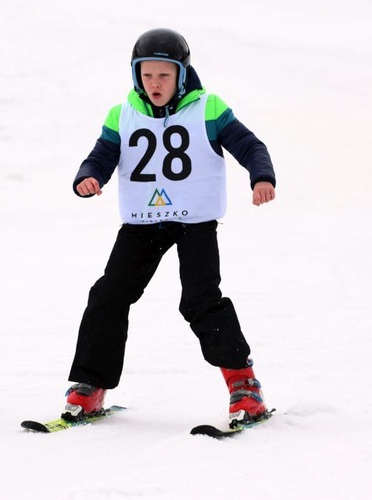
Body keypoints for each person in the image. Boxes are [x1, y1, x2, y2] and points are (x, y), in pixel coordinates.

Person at [63, 28, 276, 428]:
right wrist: (88, 177)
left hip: (194, 222)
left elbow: (250, 146)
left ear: (182, 74)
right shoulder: (122, 114)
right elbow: (101, 155)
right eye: (147, 75)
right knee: (108, 294)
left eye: (164, 75)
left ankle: (244, 385)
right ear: (135, 76)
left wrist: (261, 176)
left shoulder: (208, 109)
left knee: (200, 301)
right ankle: (89, 387)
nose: (155, 84)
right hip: (143, 222)